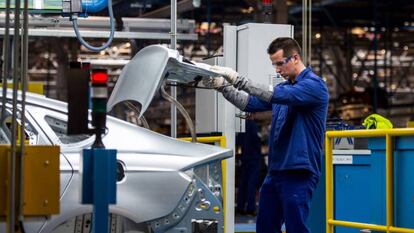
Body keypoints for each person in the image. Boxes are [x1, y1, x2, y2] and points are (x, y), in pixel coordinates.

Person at [203, 37, 329, 233]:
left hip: (299, 171)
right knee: (265, 227)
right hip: (276, 171)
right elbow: (249, 103)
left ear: (295, 58)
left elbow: (273, 95)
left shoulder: (314, 86)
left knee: (296, 227)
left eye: (280, 63)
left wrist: (237, 79)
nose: (277, 70)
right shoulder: (284, 88)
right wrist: (223, 86)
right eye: (274, 64)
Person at [236, 114, 262, 216]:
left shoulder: (242, 128)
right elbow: (257, 140)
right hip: (254, 158)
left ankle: (240, 207)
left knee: (243, 183)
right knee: (252, 183)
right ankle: (250, 208)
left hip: (244, 158)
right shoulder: (253, 126)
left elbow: (238, 141)